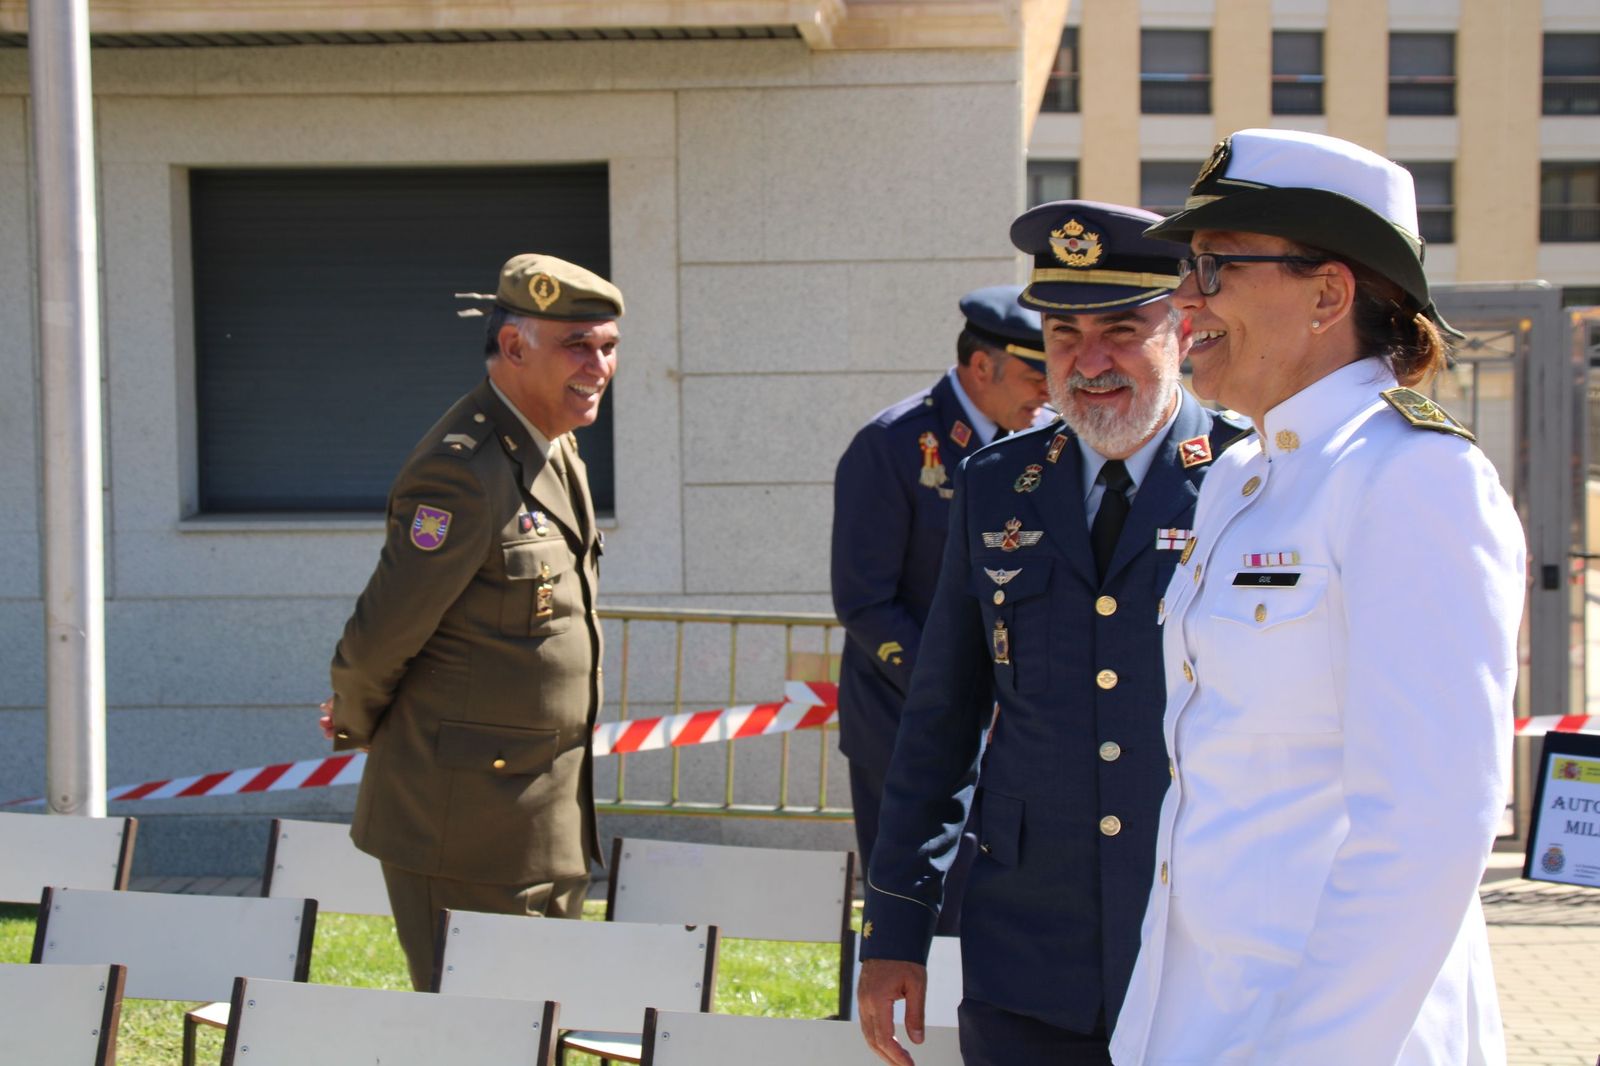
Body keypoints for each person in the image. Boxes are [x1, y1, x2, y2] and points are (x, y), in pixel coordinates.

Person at [1109, 129, 1525, 1065]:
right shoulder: (1245, 475)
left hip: (1335, 1036)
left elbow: (1428, 829)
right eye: (1188, 269)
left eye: (1215, 269)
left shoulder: (1413, 479)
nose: (1183, 299)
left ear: (1330, 292)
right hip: (1201, 1021)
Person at [856, 202, 1250, 1066]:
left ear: (1180, 329)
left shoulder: (1248, 477)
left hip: (1203, 944)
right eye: (1065, 332)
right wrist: (896, 927)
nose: (1091, 360)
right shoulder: (996, 484)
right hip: (1031, 948)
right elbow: (941, 722)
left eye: (1122, 329)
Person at [320, 252, 618, 991]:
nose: (599, 366)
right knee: (481, 1034)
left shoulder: (555, 447)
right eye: (576, 345)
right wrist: (358, 720)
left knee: (538, 1026)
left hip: (544, 818)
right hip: (462, 823)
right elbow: (382, 636)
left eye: (608, 347)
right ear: (514, 347)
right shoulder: (463, 470)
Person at [831, 284, 1051, 891]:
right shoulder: (894, 444)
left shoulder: (1050, 441)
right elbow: (865, 601)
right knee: (919, 907)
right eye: (1037, 374)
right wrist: (959, 686)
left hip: (1016, 724)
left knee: (1002, 901)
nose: (1050, 391)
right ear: (982, 366)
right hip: (906, 719)